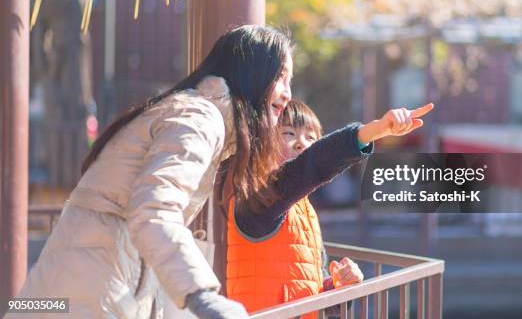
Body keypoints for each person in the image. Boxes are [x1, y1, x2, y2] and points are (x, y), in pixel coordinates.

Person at [9, 25, 295, 319]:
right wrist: (203, 296)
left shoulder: (193, 113)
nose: (287, 94)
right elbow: (154, 210)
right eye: (281, 77)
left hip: (75, 292)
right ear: (251, 74)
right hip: (93, 295)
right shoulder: (199, 118)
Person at [226, 100, 434, 317]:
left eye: (311, 138)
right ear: (265, 141)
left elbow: (318, 298)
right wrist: (374, 130)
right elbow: (314, 164)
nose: (301, 144)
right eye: (288, 133)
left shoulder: (305, 212)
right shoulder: (257, 196)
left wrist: (340, 286)